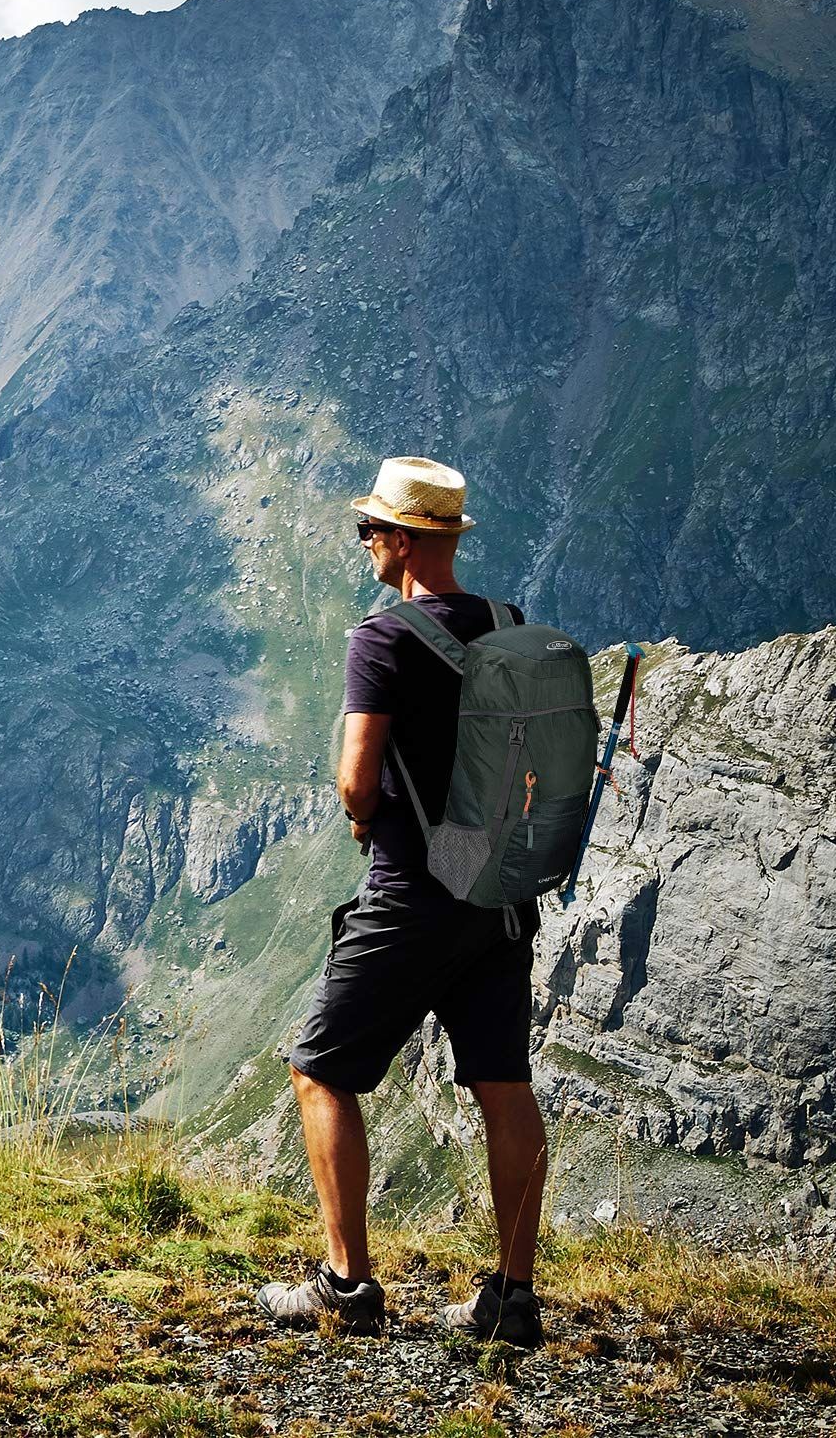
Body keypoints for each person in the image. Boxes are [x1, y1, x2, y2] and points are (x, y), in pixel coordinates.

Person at [256, 456, 547, 1347]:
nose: (365, 544)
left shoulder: (381, 639)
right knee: (504, 1082)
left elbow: (355, 779)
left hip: (414, 889)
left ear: (405, 541)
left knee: (321, 1071)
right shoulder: (507, 623)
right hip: (494, 889)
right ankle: (512, 1298)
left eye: (370, 530)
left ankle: (346, 1286)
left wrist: (369, 823)